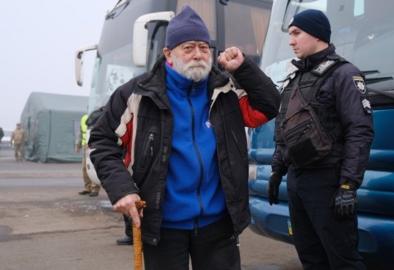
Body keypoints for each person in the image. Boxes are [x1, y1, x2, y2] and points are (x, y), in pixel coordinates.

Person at [89, 5, 280, 270]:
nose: (198, 55)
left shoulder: (226, 90)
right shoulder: (137, 94)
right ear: (168, 53)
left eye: (204, 48)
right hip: (162, 225)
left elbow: (270, 105)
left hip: (219, 224)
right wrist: (122, 190)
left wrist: (244, 68)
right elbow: (101, 141)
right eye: (188, 48)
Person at [268, 9, 374, 270]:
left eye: (296, 33)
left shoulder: (344, 74)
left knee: (343, 260)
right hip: (297, 180)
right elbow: (285, 131)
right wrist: (277, 171)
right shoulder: (296, 77)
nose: (291, 41)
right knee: (310, 257)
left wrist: (348, 186)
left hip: (328, 181)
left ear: (316, 34)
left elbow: (360, 131)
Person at [77, 113, 101, 197]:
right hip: (85, 146)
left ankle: (95, 189)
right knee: (85, 168)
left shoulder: (98, 116)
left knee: (93, 168)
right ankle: (88, 188)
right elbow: (81, 132)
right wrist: (78, 144)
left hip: (93, 145)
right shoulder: (84, 118)